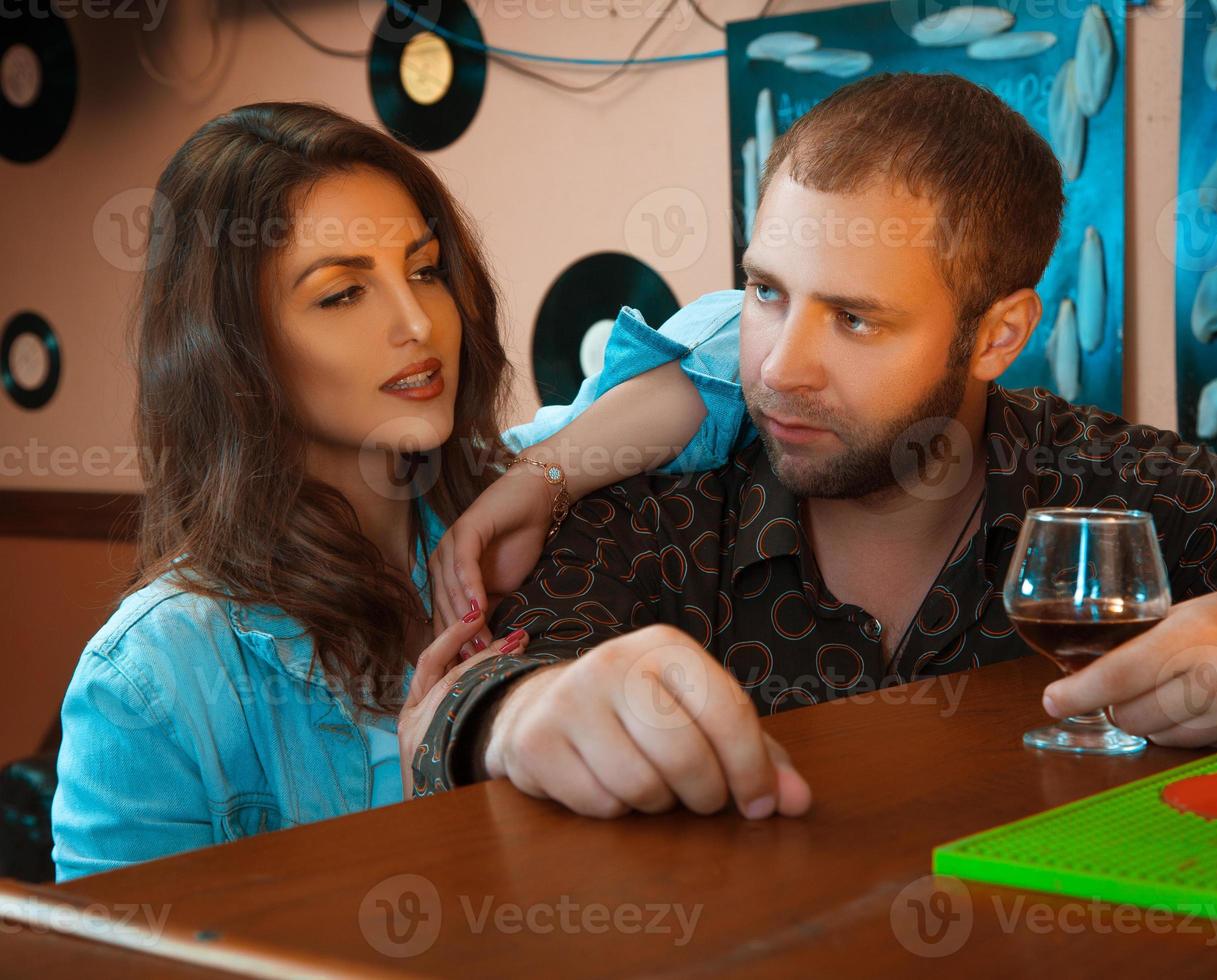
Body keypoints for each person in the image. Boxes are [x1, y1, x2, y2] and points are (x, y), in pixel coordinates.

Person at [410, 73, 1217, 822]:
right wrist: (523, 714)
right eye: (767, 293)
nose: (778, 367)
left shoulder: (1115, 487)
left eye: (857, 319)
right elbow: (468, 694)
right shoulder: (660, 501)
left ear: (999, 332)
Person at [50, 102, 728, 879]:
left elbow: (750, 342)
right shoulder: (152, 675)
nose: (417, 322)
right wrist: (426, 819)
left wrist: (545, 480)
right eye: (342, 294)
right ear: (233, 348)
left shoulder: (517, 494)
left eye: (424, 270)